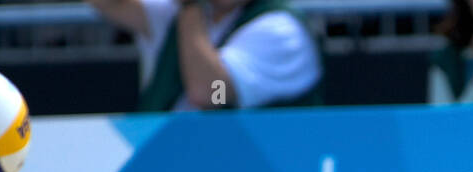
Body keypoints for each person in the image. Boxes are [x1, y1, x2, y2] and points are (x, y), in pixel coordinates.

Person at [86, 0, 322, 111]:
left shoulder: (281, 29)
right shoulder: (170, 15)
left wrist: (190, 6)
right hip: (162, 169)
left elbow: (212, 94)